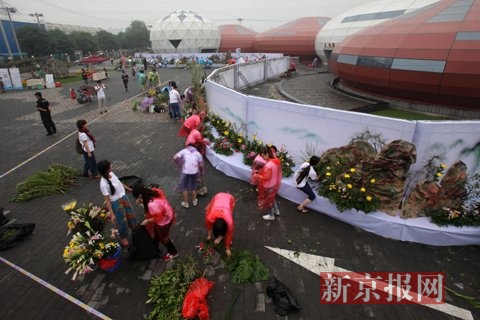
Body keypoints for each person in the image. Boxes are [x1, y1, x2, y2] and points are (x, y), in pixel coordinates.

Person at [133, 183, 179, 261]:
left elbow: (159, 218)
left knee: (164, 238)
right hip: (168, 214)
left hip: (164, 222)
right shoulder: (151, 191)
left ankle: (173, 252)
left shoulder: (151, 204)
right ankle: (155, 244)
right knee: (157, 232)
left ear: (140, 195)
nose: (136, 200)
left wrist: (147, 221)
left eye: (136, 198)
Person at [97, 160, 137, 247]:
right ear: (106, 170)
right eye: (109, 166)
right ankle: (123, 237)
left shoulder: (112, 174)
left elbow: (119, 183)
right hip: (116, 203)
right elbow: (107, 200)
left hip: (124, 198)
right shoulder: (103, 184)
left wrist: (128, 188)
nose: (111, 166)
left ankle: (134, 229)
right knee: (121, 222)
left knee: (130, 215)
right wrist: (112, 214)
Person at [252, 146, 282, 221]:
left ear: (267, 154)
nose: (262, 158)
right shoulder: (276, 160)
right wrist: (260, 172)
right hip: (274, 184)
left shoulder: (269, 164)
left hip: (269, 185)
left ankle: (271, 215)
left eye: (263, 156)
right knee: (272, 198)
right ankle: (276, 211)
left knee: (269, 201)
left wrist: (257, 175)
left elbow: (266, 177)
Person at [173, 144, 204, 208]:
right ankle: (194, 201)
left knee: (184, 187)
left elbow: (174, 157)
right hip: (195, 171)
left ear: (188, 147)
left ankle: (186, 203)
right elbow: (201, 165)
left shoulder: (184, 151)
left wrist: (178, 163)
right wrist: (200, 172)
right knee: (194, 185)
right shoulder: (198, 153)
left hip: (185, 171)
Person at [205, 192, 235, 257]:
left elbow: (229, 234)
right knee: (207, 209)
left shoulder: (229, 222)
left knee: (229, 212)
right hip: (217, 197)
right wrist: (209, 235)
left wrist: (227, 248)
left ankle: (221, 236)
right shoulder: (210, 217)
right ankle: (220, 236)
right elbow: (208, 225)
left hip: (229, 199)